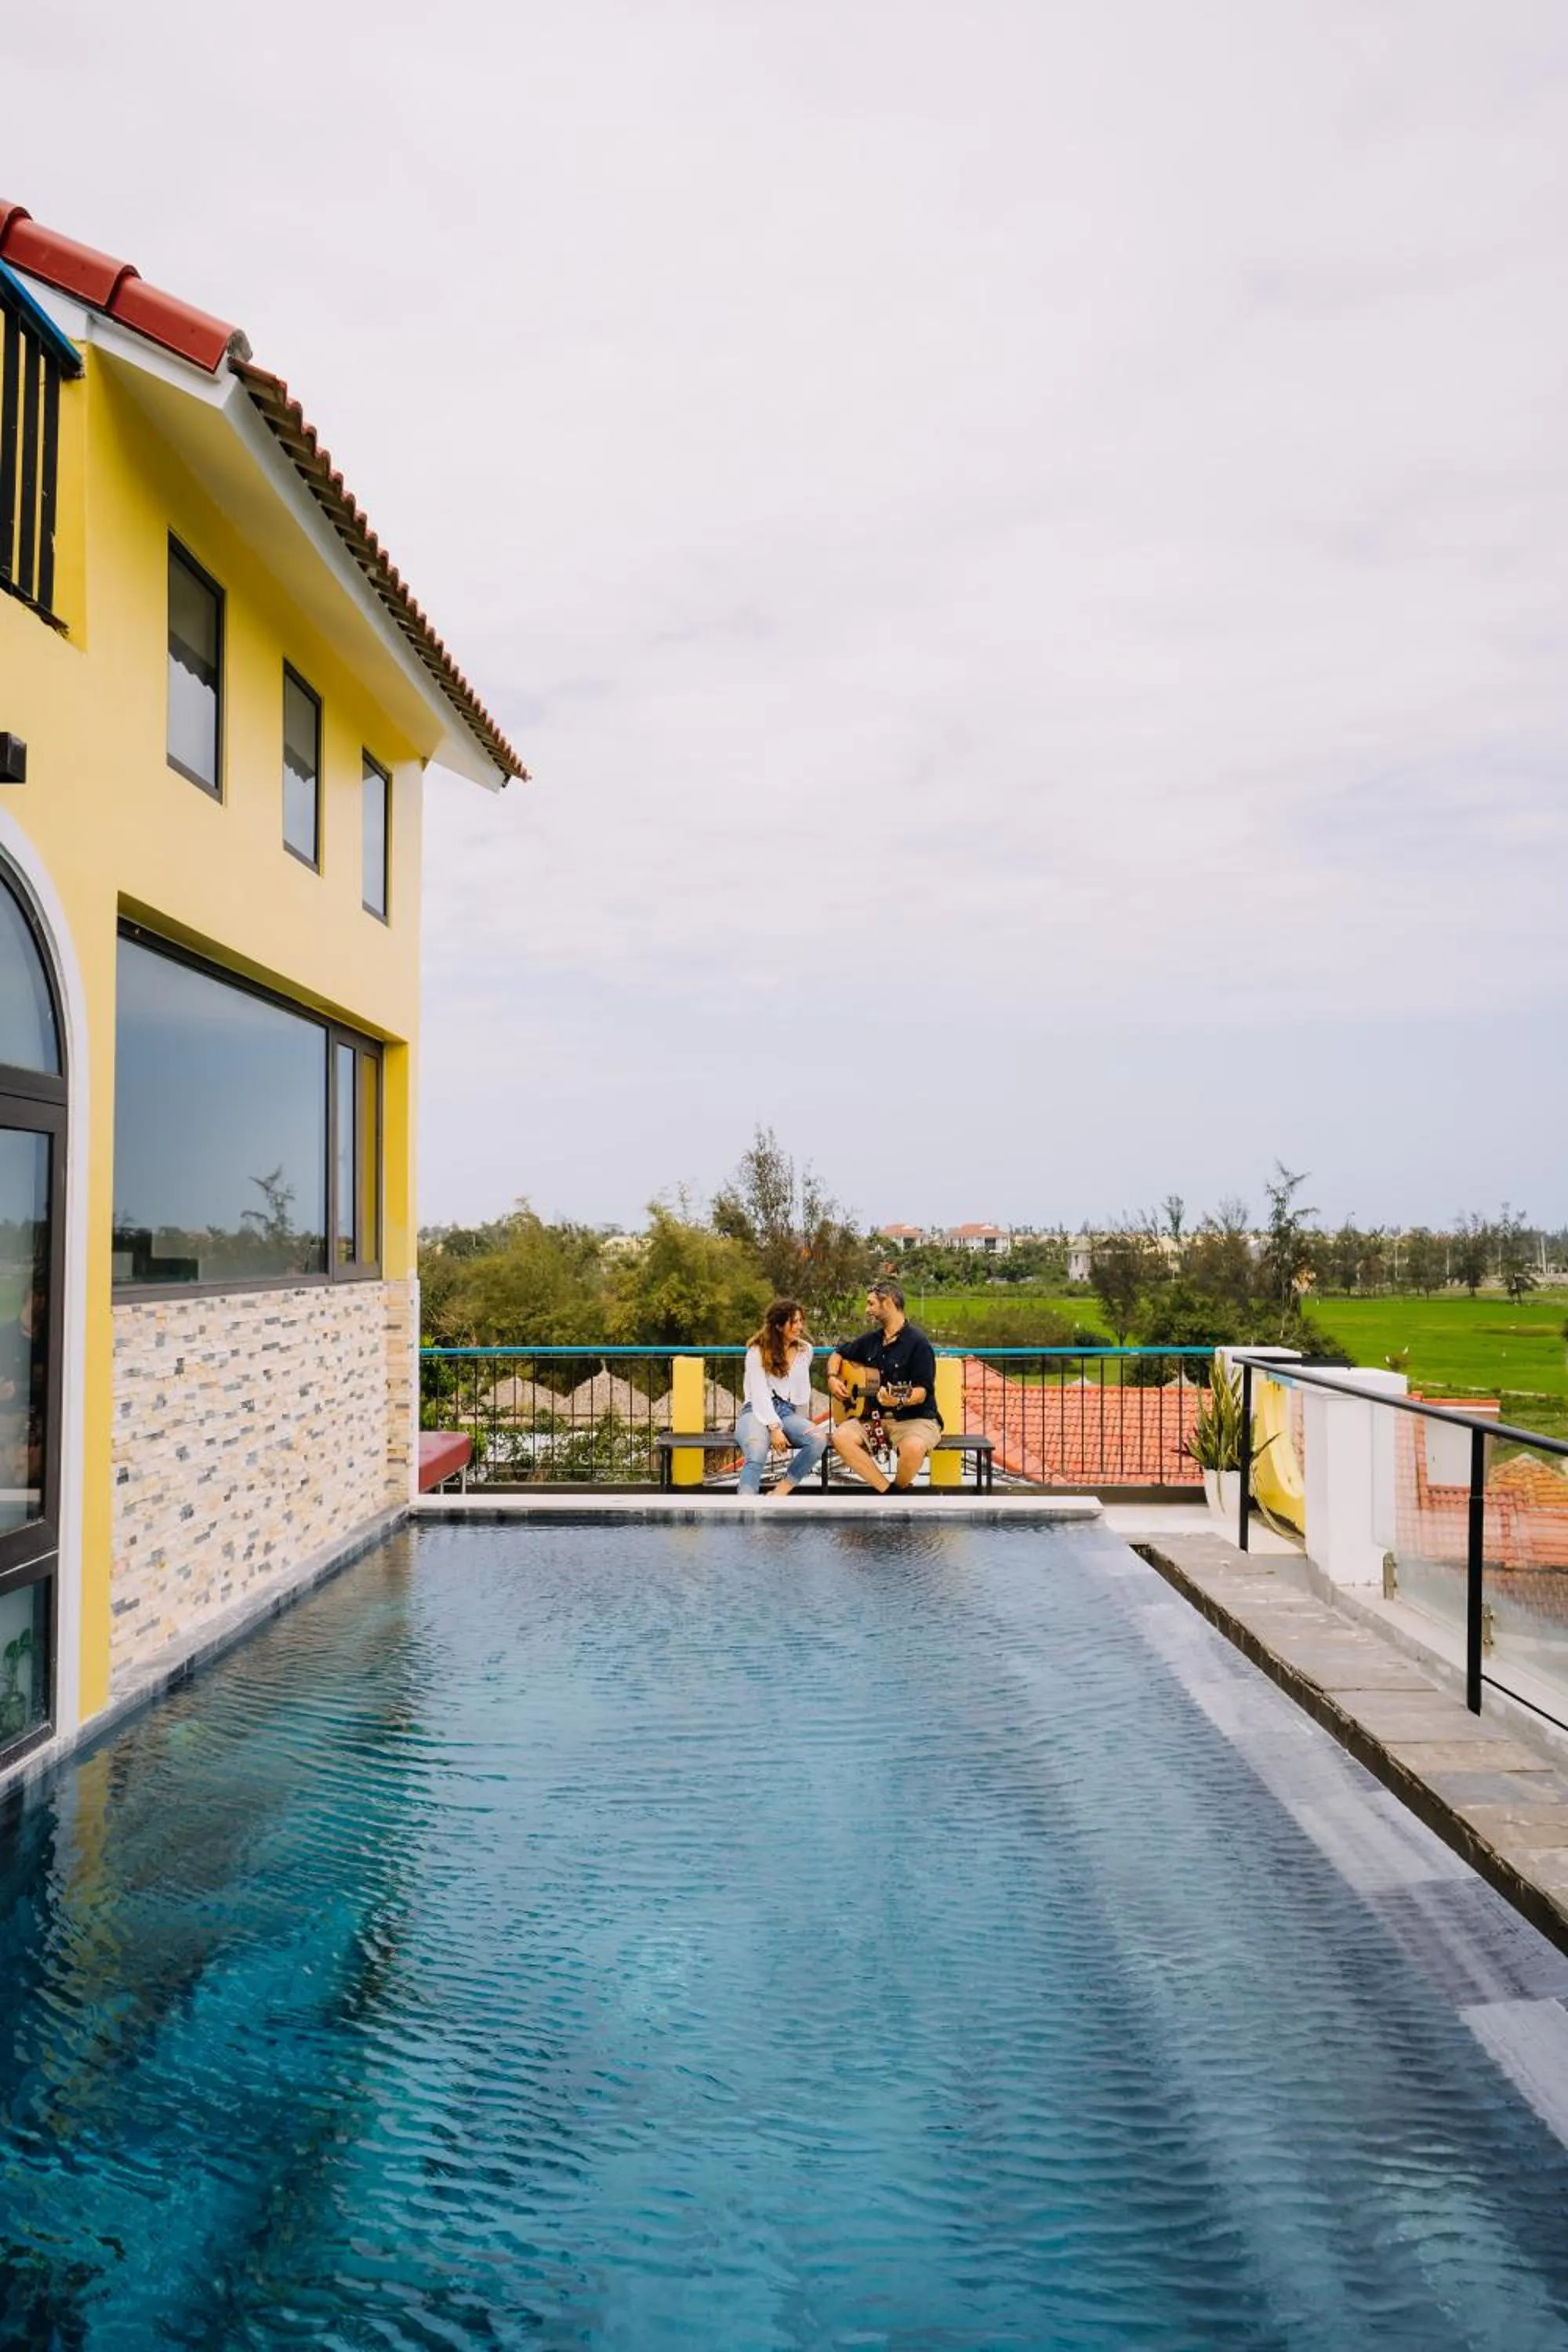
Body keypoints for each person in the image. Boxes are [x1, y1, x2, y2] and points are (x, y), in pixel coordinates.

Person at [827, 1281, 942, 1493]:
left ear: (888, 1302)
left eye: (871, 1304)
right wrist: (833, 1378)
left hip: (914, 1419)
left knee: (914, 1448)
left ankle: (898, 1488)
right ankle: (887, 1492)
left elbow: (922, 1391)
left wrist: (899, 1399)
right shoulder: (870, 1341)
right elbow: (838, 1353)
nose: (867, 1309)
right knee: (840, 1437)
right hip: (872, 1418)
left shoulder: (919, 1343)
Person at [735, 1298, 828, 1498]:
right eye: (794, 1322)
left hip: (786, 1412)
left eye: (801, 1321)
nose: (800, 1327)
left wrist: (800, 1424)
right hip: (756, 1409)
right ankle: (745, 1503)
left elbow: (802, 1390)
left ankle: (781, 1491)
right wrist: (775, 1428)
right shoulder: (756, 1351)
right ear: (778, 1325)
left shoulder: (805, 1351)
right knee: (757, 1449)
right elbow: (759, 1394)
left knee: (818, 1439)